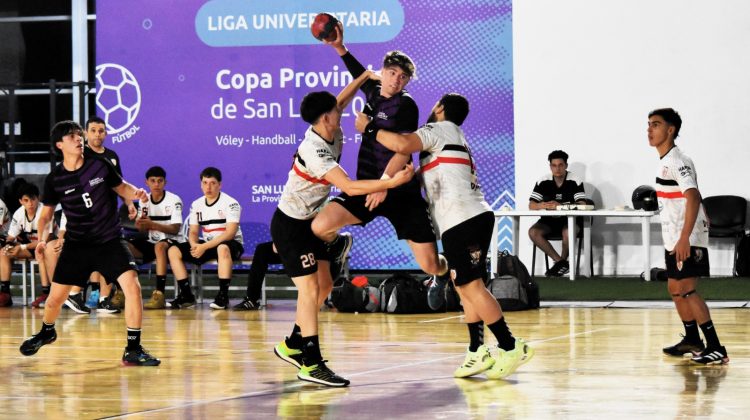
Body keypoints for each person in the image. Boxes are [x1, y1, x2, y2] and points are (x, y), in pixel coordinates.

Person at [356, 93, 534, 379]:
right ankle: (477, 350)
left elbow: (401, 144)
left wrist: (368, 127)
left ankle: (511, 346)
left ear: (439, 109)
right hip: (461, 221)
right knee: (463, 286)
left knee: (472, 286)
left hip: (465, 220)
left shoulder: (436, 130)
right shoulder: (451, 137)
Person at [273, 77, 414, 387]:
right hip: (290, 226)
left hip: (310, 222)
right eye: (335, 111)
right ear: (325, 117)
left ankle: (293, 343)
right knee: (309, 290)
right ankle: (311, 363)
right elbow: (349, 187)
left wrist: (364, 77)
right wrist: (389, 184)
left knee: (323, 288)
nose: (342, 112)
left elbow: (340, 101)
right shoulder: (315, 149)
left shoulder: (331, 127)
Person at [311, 23, 448, 279]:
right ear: (382, 72)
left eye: (403, 77)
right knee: (320, 226)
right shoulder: (373, 90)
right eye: (392, 72)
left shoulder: (407, 105)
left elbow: (404, 151)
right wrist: (339, 47)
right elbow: (358, 72)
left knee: (430, 265)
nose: (397, 79)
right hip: (367, 186)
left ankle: (449, 273)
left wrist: (385, 184)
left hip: (400, 190)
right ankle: (340, 245)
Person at [19, 120, 160, 366]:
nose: (78, 139)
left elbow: (122, 187)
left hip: (109, 240)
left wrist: (136, 193)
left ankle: (133, 349)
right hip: (77, 244)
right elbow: (46, 215)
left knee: (133, 287)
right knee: (54, 300)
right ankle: (47, 331)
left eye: (78, 135)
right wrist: (42, 241)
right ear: (59, 145)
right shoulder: (55, 179)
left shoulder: (100, 165)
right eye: (72, 136)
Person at [648, 108, 728, 365]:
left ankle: (716, 347)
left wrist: (685, 238)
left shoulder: (677, 161)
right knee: (674, 287)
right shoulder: (666, 160)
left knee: (687, 289)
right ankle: (693, 340)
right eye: (648, 124)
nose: (649, 130)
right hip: (675, 235)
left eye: (656, 125)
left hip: (687, 235)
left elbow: (692, 195)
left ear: (670, 130)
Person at [166, 167, 243, 310]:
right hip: (207, 244)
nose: (208, 187)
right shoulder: (197, 204)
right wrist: (194, 245)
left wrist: (204, 247)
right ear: (201, 184)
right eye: (205, 183)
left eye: (213, 183)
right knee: (173, 251)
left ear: (220, 185)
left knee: (222, 248)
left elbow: (230, 233)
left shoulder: (231, 203)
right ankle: (187, 296)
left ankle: (222, 297)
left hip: (231, 244)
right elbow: (194, 231)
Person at [127, 166, 183, 310]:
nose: (156, 184)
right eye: (153, 181)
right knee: (123, 245)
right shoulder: (144, 201)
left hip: (174, 243)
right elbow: (141, 229)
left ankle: (159, 294)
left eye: (160, 181)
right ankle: (122, 292)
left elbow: (175, 229)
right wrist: (139, 222)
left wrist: (152, 224)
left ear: (165, 182)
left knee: (159, 246)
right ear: (147, 183)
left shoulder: (174, 199)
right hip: (153, 242)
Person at [527, 150, 588, 277]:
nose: (557, 168)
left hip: (570, 220)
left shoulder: (575, 180)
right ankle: (561, 262)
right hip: (549, 221)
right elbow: (531, 205)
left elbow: (582, 204)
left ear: (566, 165)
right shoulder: (543, 181)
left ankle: (561, 264)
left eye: (560, 165)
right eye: (554, 165)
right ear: (550, 166)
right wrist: (541, 205)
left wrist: (561, 207)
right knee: (533, 232)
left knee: (567, 231)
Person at [0, 183, 50, 307]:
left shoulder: (45, 212)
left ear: (38, 198)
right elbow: (10, 237)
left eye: (33, 199)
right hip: (29, 247)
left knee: (40, 250)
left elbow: (43, 241)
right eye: (26, 200)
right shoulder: (18, 214)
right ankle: (5, 292)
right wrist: (9, 245)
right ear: (20, 201)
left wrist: (21, 247)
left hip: (47, 246)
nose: (30, 203)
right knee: (4, 252)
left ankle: (46, 292)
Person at [233, 241, 280, 310]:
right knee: (262, 249)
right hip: (283, 244)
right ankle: (252, 299)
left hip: (297, 246)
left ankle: (302, 298)